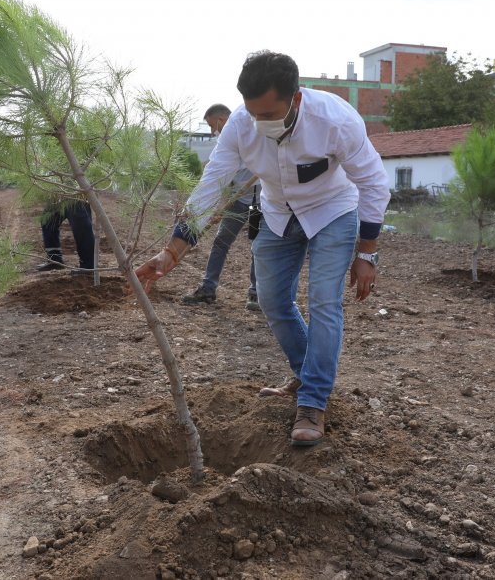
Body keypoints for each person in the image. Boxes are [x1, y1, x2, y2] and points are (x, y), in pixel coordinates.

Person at [135, 51, 391, 446]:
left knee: (324, 301)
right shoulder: (240, 126)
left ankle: (313, 401)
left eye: (270, 114)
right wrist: (171, 252)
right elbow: (211, 187)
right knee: (271, 301)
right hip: (275, 214)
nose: (262, 123)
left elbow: (374, 183)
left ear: (297, 98)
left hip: (333, 211)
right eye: (255, 114)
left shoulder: (335, 121)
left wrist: (366, 253)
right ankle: (306, 374)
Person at [182, 103, 261, 311]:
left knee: (257, 246)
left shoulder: (250, 131)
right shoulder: (228, 141)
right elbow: (220, 174)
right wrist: (219, 205)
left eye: (212, 126)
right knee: (220, 241)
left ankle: (255, 293)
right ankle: (208, 288)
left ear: (221, 120)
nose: (212, 131)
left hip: (259, 203)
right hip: (237, 200)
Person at [37, 200, 96, 272]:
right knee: (48, 220)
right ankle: (54, 259)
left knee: (82, 229)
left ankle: (88, 267)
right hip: (59, 196)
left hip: (75, 196)